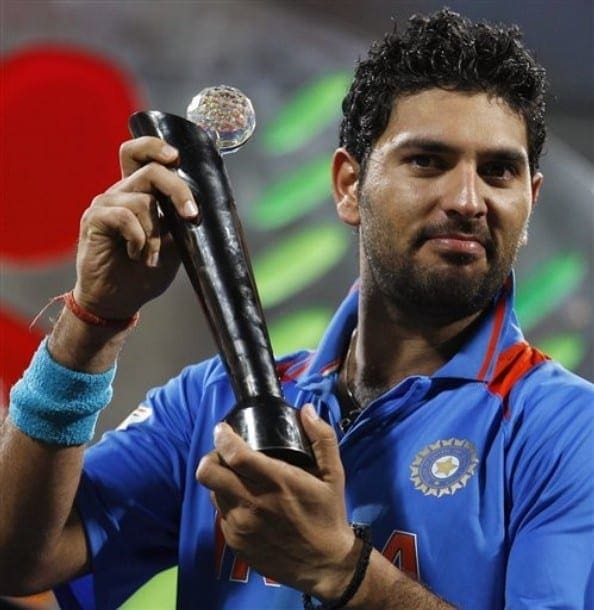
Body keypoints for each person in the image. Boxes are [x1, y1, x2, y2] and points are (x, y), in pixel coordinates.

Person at [1, 8, 592, 610]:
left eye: (498, 171)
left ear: (530, 198)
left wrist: (344, 572)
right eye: (428, 161)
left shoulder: (568, 433)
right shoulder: (209, 404)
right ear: (348, 186)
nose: (468, 199)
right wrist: (91, 324)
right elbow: (18, 561)